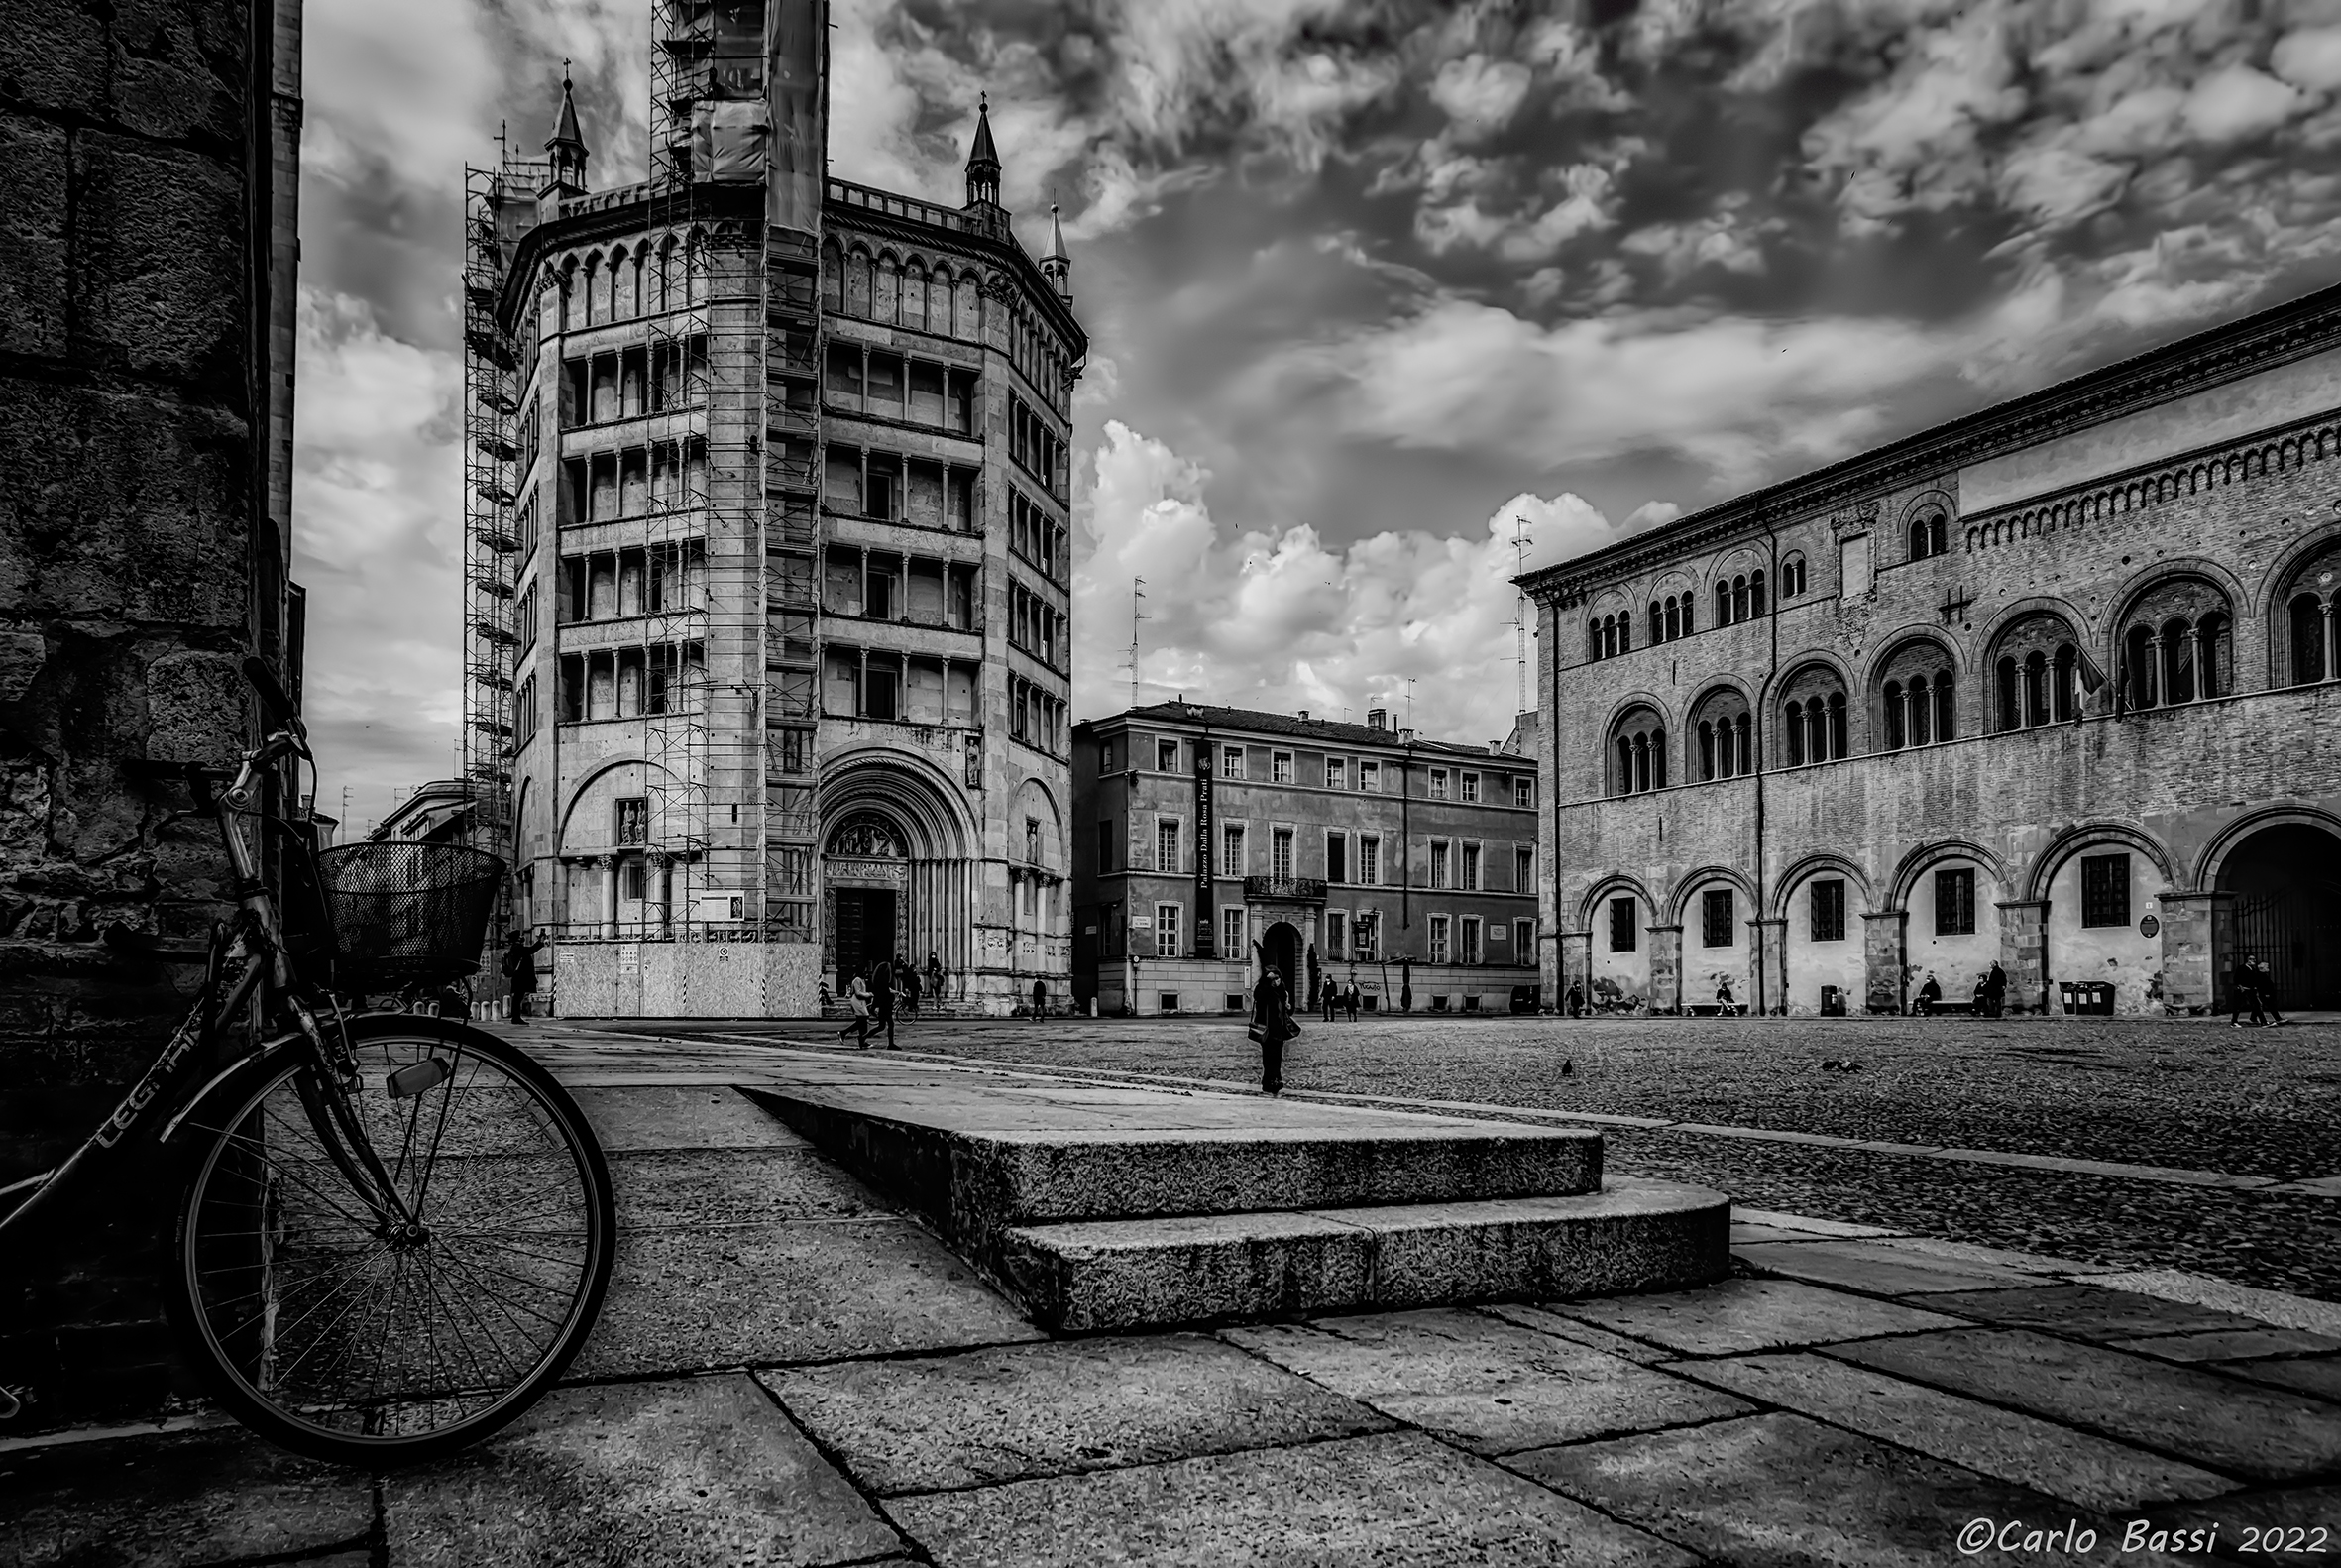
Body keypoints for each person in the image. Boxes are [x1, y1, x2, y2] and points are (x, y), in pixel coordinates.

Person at [1253, 965, 1295, 1094]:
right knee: (1268, 1057)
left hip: (1279, 1029)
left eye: (1277, 978)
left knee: (1277, 1057)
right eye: (1273, 979)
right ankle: (1268, 1081)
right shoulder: (1263, 990)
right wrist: (1265, 981)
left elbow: (1286, 1010)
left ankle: (1276, 1079)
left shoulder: (1281, 991)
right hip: (1267, 1029)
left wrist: (1288, 1007)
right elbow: (1258, 996)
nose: (1276, 981)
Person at [501, 928, 548, 1024]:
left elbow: (529, 950)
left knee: (518, 997)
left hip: (519, 977)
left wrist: (540, 941)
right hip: (520, 978)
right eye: (520, 936)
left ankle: (516, 1017)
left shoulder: (516, 948)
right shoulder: (517, 948)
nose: (522, 937)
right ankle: (516, 1018)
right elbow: (531, 950)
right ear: (517, 939)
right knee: (518, 998)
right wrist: (540, 942)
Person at [840, 969, 874, 1047]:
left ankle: (862, 1041)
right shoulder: (857, 980)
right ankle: (844, 1033)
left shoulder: (861, 980)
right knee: (862, 1021)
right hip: (858, 1002)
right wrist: (869, 994)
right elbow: (858, 993)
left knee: (863, 1022)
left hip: (862, 1002)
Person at [2230, 952, 2266, 1027]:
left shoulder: (2253, 969)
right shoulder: (2241, 968)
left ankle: (2263, 1021)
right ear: (2247, 960)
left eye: (2253, 959)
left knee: (2257, 1005)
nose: (2253, 961)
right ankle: (2234, 1022)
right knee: (2238, 1006)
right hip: (2242, 990)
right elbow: (2236, 979)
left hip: (2251, 990)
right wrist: (2240, 987)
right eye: (2250, 959)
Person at [870, 953, 898, 1048]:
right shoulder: (883, 984)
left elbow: (878, 996)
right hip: (885, 1007)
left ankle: (863, 1037)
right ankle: (891, 1044)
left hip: (884, 1007)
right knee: (889, 1024)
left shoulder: (879, 982)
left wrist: (873, 1007)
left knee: (881, 1026)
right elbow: (884, 995)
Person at [2253, 954, 2285, 1026]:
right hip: (2264, 994)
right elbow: (2262, 986)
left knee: (2261, 1006)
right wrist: (2266, 993)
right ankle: (2276, 1019)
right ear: (2262, 968)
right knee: (2270, 1006)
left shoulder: (2262, 975)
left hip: (2266, 993)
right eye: (2266, 967)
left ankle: (2253, 1017)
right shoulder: (2260, 976)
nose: (2268, 968)